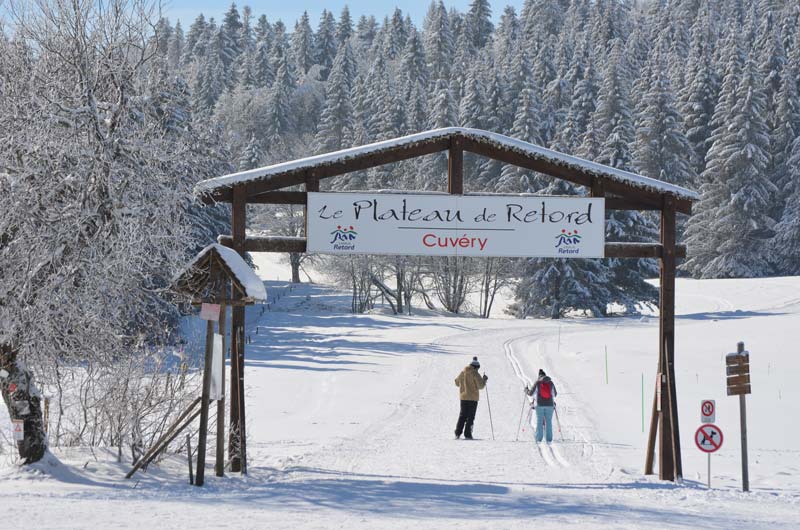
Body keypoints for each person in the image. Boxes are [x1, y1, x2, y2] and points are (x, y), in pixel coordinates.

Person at [454, 356, 488, 439]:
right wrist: (484, 380)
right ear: (476, 366)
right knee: (470, 416)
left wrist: (463, 383)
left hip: (463, 397)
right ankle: (468, 434)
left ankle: (457, 432)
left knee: (462, 415)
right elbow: (480, 386)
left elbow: (457, 383)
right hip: (472, 398)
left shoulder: (463, 372)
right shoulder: (475, 373)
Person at [526, 369, 558, 443]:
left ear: (539, 376)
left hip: (539, 405)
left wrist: (526, 390)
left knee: (539, 421)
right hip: (550, 405)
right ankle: (549, 439)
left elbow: (531, 393)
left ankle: (539, 439)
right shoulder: (551, 383)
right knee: (549, 421)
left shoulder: (537, 383)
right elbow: (555, 394)